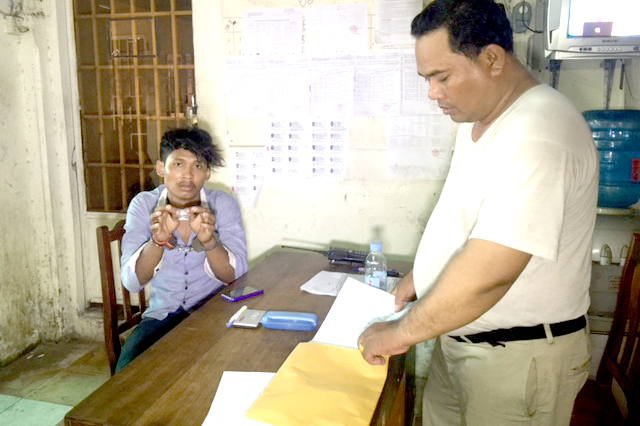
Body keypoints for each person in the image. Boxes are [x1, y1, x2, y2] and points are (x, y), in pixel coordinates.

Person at [358, 0, 598, 424]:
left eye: (442, 77)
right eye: (427, 79)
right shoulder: (480, 118)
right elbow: (470, 218)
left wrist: (399, 333)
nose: (433, 93)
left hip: (515, 360)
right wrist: (422, 277)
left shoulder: (538, 132)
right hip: (463, 341)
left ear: (492, 59)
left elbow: (491, 274)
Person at [117, 127, 248, 372]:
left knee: (226, 371)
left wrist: (210, 242)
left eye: (197, 166)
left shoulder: (222, 204)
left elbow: (236, 277)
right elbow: (131, 282)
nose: (187, 175)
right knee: (126, 376)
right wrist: (157, 242)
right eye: (178, 164)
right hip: (160, 318)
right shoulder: (143, 205)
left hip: (212, 315)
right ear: (160, 168)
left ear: (207, 172)